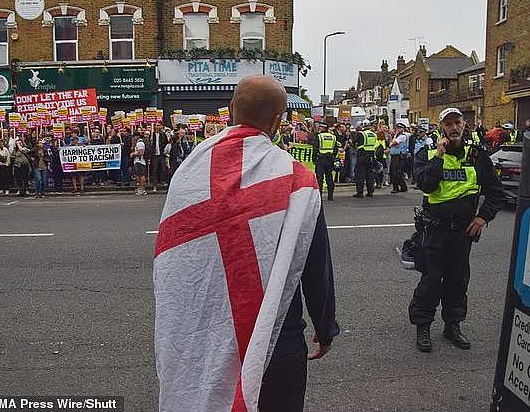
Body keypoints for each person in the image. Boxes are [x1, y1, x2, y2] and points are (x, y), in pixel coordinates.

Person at [154, 76, 339, 412]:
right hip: (276, 338)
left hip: (206, 333)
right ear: (278, 121)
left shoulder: (189, 169)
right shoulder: (296, 178)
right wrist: (325, 328)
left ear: (230, 110)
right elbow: (314, 265)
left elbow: (178, 261)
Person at [409, 108, 504, 353]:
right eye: (448, 123)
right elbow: (427, 184)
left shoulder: (477, 156)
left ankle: (453, 326)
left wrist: (483, 217)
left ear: (464, 125)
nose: (453, 127)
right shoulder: (427, 153)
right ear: (441, 127)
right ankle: (423, 328)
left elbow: (495, 193)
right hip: (434, 230)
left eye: (457, 122)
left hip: (463, 232)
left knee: (458, 280)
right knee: (431, 280)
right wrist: (439, 157)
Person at [312, 122, 338, 201]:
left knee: (320, 178)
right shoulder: (333, 137)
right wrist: (332, 156)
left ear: (323, 128)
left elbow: (315, 149)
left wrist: (314, 159)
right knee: (329, 178)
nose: (319, 128)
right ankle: (330, 196)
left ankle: (319, 196)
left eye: (320, 127)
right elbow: (335, 149)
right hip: (330, 159)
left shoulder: (319, 136)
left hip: (321, 159)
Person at [352, 122, 376, 198]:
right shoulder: (374, 134)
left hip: (362, 155)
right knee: (369, 175)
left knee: (360, 175)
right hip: (371, 156)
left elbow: (354, 141)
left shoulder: (361, 134)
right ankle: (370, 192)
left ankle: (360, 192)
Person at [389, 122, 409, 193]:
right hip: (395, 156)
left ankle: (396, 188)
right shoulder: (398, 136)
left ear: (403, 129)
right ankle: (403, 187)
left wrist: (395, 135)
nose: (398, 130)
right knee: (396, 172)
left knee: (396, 172)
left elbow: (392, 143)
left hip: (399, 157)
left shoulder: (402, 136)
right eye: (397, 128)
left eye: (400, 128)